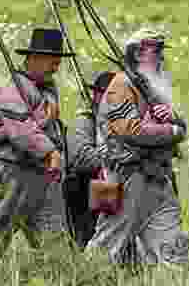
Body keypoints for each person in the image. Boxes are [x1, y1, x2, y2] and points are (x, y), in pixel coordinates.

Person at [85, 28, 188, 265]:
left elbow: (181, 126)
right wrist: (172, 131)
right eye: (157, 50)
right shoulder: (120, 84)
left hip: (158, 177)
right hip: (124, 177)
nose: (162, 57)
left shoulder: (154, 87)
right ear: (139, 53)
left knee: (173, 250)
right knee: (106, 245)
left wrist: (174, 119)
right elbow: (131, 130)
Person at [0, 28, 74, 252]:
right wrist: (51, 152)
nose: (57, 66)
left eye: (59, 61)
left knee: (55, 244)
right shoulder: (11, 87)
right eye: (52, 60)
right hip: (8, 171)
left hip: (41, 174)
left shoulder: (48, 89)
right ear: (34, 58)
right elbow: (21, 132)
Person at [66, 70, 115, 248]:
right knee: (89, 240)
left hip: (110, 190)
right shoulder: (85, 121)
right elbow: (81, 158)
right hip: (83, 191)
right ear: (96, 95)